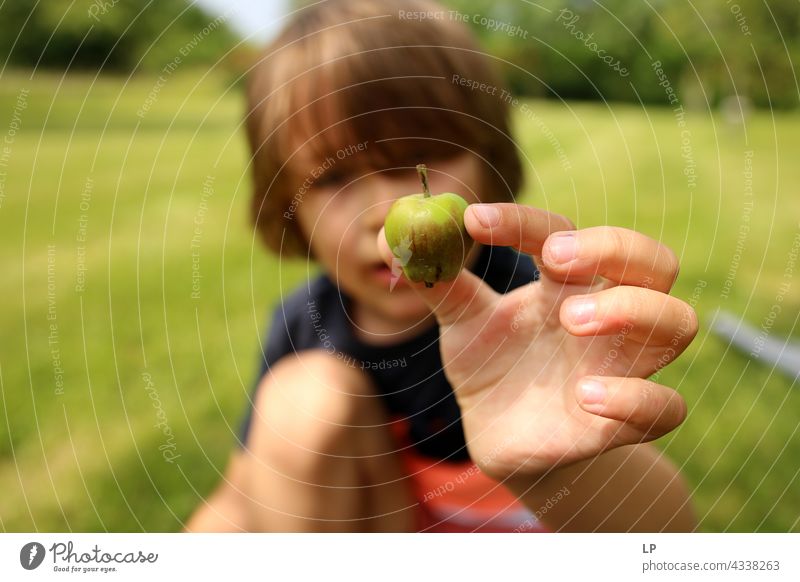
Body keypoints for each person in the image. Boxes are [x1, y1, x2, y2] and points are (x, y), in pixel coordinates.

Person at [186, 0, 698, 533]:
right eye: (333, 179)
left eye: (422, 159)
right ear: (289, 204)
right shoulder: (303, 325)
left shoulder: (528, 314)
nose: (382, 213)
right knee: (301, 401)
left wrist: (550, 461)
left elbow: (664, 534)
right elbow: (241, 495)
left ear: (489, 165)